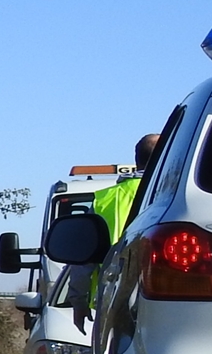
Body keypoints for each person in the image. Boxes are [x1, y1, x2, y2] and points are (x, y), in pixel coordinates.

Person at [67, 133, 160, 334]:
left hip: (115, 301)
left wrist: (78, 301)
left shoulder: (105, 200)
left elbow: (83, 259)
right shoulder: (178, 192)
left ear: (138, 160)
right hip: (171, 300)